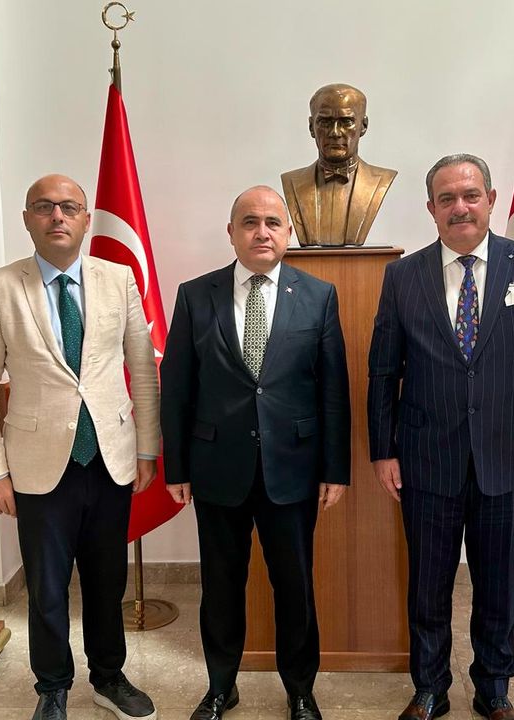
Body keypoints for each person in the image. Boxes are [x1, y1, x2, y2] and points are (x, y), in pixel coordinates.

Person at [367, 154, 514, 720]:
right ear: (431, 208)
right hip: (425, 456)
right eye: (447, 198)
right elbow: (384, 370)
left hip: (510, 454)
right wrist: (383, 450)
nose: (460, 207)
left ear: (490, 199)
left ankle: (494, 687)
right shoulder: (403, 276)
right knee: (428, 584)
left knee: (498, 582)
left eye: (470, 195)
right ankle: (429, 687)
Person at [0, 174, 161, 720]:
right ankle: (52, 687)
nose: (58, 216)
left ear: (86, 219)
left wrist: (147, 449)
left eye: (69, 207)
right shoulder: (0, 287)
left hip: (109, 459)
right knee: (46, 587)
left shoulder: (118, 279)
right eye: (45, 207)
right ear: (27, 219)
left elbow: (143, 370)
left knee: (107, 581)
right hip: (36, 466)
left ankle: (109, 677)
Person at [160, 185, 350, 720]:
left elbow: (333, 390)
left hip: (293, 470)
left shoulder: (318, 296)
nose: (261, 232)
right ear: (231, 233)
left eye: (272, 222)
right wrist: (176, 466)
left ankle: (301, 690)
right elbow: (177, 386)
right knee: (221, 587)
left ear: (288, 233)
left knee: (295, 587)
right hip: (217, 468)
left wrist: (335, 468)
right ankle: (221, 686)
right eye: (249, 222)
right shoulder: (195, 295)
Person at [281, 83, 397, 246]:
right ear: (311, 127)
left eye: (346, 122)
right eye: (325, 122)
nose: (335, 132)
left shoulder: (381, 181)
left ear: (363, 126)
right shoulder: (292, 182)